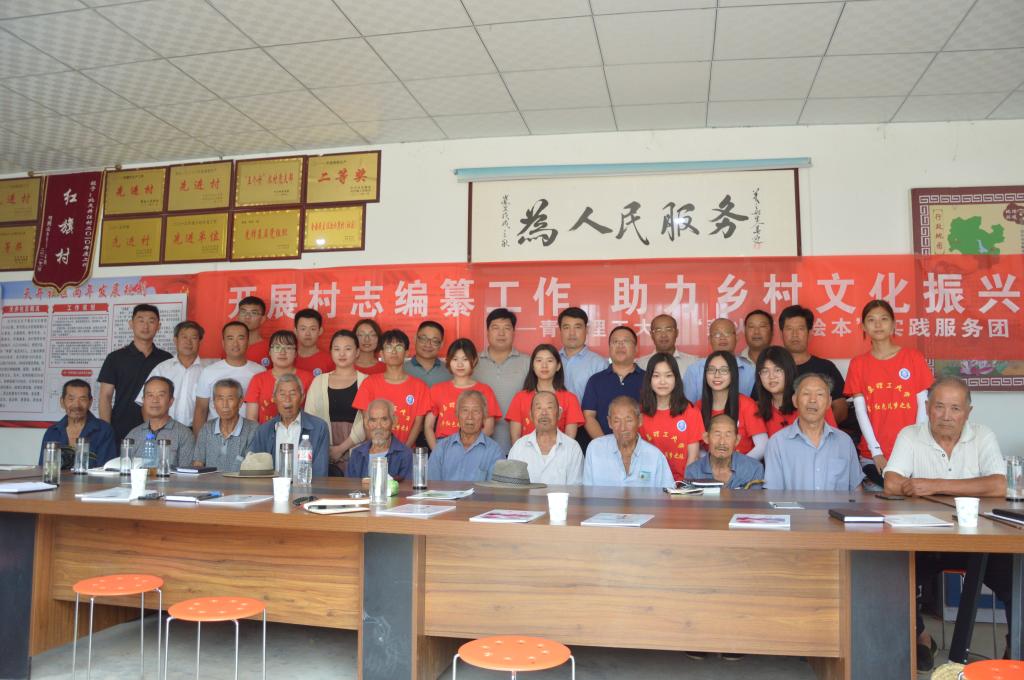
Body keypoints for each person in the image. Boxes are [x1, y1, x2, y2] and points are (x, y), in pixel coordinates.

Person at [883, 377, 1010, 670]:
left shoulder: (982, 435)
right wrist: (914, 486)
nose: (946, 416)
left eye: (955, 408)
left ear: (968, 412)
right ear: (928, 408)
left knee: (1017, 576)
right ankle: (920, 637)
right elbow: (891, 482)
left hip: (980, 539)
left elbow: (998, 485)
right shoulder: (910, 435)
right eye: (939, 407)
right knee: (892, 572)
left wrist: (934, 485)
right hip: (926, 539)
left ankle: (1014, 645)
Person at [846, 299, 932, 487]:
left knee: (912, 498)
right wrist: (876, 452)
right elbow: (860, 411)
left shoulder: (913, 358)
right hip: (874, 456)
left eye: (884, 319)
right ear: (863, 327)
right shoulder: (858, 364)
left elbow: (923, 406)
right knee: (884, 496)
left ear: (893, 325)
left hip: (913, 453)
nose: (878, 324)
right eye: (871, 320)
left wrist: (915, 447)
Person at [763, 373, 863, 491]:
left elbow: (857, 490)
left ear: (829, 402)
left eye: (820, 394)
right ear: (795, 400)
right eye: (806, 393)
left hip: (837, 505)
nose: (812, 400)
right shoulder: (777, 443)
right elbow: (773, 495)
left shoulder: (844, 442)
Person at [98, 303, 173, 441]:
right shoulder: (115, 358)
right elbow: (105, 397)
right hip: (121, 429)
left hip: (159, 430)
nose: (146, 326)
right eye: (141, 320)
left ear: (158, 326)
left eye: (151, 321)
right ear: (131, 324)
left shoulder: (166, 359)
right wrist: (106, 431)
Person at [351, 329, 431, 448]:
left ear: (407, 353)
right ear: (381, 354)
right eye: (388, 347)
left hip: (407, 451)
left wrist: (404, 450)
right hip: (377, 451)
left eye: (399, 347)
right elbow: (367, 421)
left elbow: (418, 424)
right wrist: (378, 448)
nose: (393, 351)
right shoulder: (369, 383)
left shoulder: (420, 386)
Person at [304, 330, 366, 475]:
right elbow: (309, 418)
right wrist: (327, 449)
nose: (342, 354)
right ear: (331, 352)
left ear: (357, 352)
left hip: (357, 448)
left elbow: (369, 421)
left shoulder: (367, 381)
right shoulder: (318, 381)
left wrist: (341, 448)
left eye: (348, 349)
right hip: (323, 449)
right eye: (337, 349)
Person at [425, 338, 501, 449]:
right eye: (455, 359)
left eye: (465, 359)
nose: (460, 364)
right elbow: (428, 426)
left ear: (474, 360)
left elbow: (489, 428)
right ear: (448, 361)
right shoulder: (437, 389)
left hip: (474, 446)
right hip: (444, 445)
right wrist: (437, 452)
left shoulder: (484, 390)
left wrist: (470, 449)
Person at [638, 352, 703, 481]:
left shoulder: (691, 412)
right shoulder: (640, 413)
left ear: (676, 379)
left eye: (668, 375)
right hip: (649, 483)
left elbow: (693, 456)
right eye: (656, 376)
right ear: (649, 379)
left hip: (681, 484)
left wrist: (684, 485)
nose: (662, 381)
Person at [779, 305, 849, 425]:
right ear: (781, 334)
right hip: (780, 433)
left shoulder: (826, 367)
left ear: (809, 333)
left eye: (800, 329)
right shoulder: (772, 370)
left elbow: (841, 408)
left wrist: (815, 428)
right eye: (789, 329)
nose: (795, 334)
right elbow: (759, 405)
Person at [249, 373, 330, 476]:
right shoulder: (264, 430)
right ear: (274, 398)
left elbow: (320, 472)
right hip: (272, 486)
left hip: (306, 485)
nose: (287, 399)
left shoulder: (319, 428)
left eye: (293, 394)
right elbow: (255, 470)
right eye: (282, 394)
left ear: (302, 397)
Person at [473, 308, 530, 453]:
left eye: (507, 328)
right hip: (479, 444)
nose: (501, 333)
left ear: (514, 332)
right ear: (487, 332)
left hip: (519, 444)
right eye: (495, 328)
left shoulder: (528, 362)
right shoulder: (472, 362)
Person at [192, 321, 264, 435]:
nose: (235, 344)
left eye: (240, 338)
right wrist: (198, 440)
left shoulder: (260, 371)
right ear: (223, 342)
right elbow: (201, 410)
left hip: (250, 435)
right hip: (215, 436)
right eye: (230, 338)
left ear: (248, 341)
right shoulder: (209, 372)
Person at [583, 396, 672, 487]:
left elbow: (668, 493)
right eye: (616, 421)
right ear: (609, 422)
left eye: (629, 420)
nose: (623, 428)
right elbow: (586, 492)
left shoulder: (655, 456)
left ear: (640, 420)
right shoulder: (595, 450)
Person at [505, 344, 584, 444]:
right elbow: (515, 437)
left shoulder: (570, 399)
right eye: (539, 360)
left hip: (559, 453)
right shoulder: (520, 397)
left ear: (558, 366)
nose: (544, 365)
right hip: (526, 452)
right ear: (532, 366)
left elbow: (569, 440)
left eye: (549, 361)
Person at [695, 351, 767, 460]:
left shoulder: (747, 404)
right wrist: (713, 464)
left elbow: (762, 446)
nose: (717, 375)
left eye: (724, 370)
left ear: (733, 373)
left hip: (744, 467)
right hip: (711, 468)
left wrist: (737, 465)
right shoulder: (698, 407)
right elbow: (697, 447)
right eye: (711, 370)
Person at [135, 320, 206, 429]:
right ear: (175, 340)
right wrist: (154, 433)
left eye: (194, 338)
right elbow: (146, 404)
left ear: (200, 341)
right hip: (164, 430)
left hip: (197, 431)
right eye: (184, 337)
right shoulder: (162, 369)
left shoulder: (207, 371)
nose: (188, 342)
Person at [753, 345, 836, 436]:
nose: (771, 376)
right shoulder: (756, 410)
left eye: (777, 370)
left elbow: (834, 439)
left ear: (789, 370)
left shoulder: (814, 401)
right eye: (765, 371)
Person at [508, 391, 584, 485]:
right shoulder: (519, 447)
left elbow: (575, 489)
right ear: (531, 415)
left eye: (549, 407)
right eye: (538, 408)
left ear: (559, 414)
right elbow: (511, 487)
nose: (544, 413)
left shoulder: (572, 448)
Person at [582, 325, 644, 439]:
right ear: (609, 348)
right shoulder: (595, 380)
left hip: (641, 446)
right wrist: (605, 444)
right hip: (604, 446)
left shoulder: (648, 379)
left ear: (636, 348)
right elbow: (588, 416)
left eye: (625, 341)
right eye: (615, 342)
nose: (620, 345)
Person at [428, 390, 505, 482]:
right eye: (465, 410)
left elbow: (495, 489)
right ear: (457, 414)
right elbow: (432, 485)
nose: (470, 417)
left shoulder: (495, 452)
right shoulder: (441, 448)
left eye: (476, 411)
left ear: (484, 416)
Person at [39, 379, 117, 466]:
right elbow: (43, 468)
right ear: (62, 402)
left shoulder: (104, 431)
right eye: (71, 399)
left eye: (82, 399)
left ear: (90, 402)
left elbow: (106, 470)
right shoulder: (52, 432)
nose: (77, 405)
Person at [244, 330, 314, 424]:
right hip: (265, 432)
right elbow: (251, 419)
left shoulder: (309, 379)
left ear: (295, 353)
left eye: (288, 348)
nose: (282, 352)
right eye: (277, 347)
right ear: (269, 352)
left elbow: (313, 415)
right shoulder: (258, 379)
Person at [124, 376, 195, 467]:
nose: (155, 400)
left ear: (171, 401)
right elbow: (125, 469)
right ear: (143, 400)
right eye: (150, 395)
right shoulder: (133, 435)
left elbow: (187, 473)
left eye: (161, 395)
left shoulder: (184, 434)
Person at [682, 318, 756, 402]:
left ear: (736, 337)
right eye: (717, 334)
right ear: (709, 339)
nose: (722, 338)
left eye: (727, 333)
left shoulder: (751, 371)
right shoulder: (694, 370)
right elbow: (689, 406)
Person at [192, 378, 258, 472]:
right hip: (210, 481)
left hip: (241, 481)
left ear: (240, 402)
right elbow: (198, 464)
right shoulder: (207, 428)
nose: (225, 405)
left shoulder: (253, 429)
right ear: (214, 403)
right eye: (220, 399)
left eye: (230, 399)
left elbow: (252, 469)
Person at [685, 414, 764, 489]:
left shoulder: (753, 469)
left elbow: (754, 499)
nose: (722, 442)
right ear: (706, 438)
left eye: (728, 435)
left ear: (737, 440)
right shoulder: (693, 471)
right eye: (717, 435)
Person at [345, 398, 413, 481]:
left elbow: (407, 488)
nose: (378, 426)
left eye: (384, 419)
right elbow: (349, 487)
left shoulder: (406, 455)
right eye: (373, 420)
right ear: (366, 423)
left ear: (394, 422)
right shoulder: (357, 454)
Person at [557, 307, 607, 402]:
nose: (572, 333)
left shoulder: (599, 364)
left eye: (577, 327)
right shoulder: (552, 360)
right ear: (560, 330)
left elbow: (603, 400)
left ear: (586, 329)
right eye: (566, 327)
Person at [405, 320, 452, 387]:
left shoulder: (450, 371)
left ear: (441, 344)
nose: (428, 345)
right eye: (423, 339)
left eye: (434, 341)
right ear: (415, 339)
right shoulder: (401, 369)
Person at [292, 308, 334, 376]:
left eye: (312, 329)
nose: (307, 333)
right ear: (295, 331)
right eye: (303, 329)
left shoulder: (329, 361)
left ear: (320, 331)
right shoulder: (287, 357)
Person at [236, 295, 270, 367]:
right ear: (237, 317)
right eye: (243, 312)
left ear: (263, 319)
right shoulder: (230, 346)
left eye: (253, 313)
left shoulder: (270, 348)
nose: (247, 316)